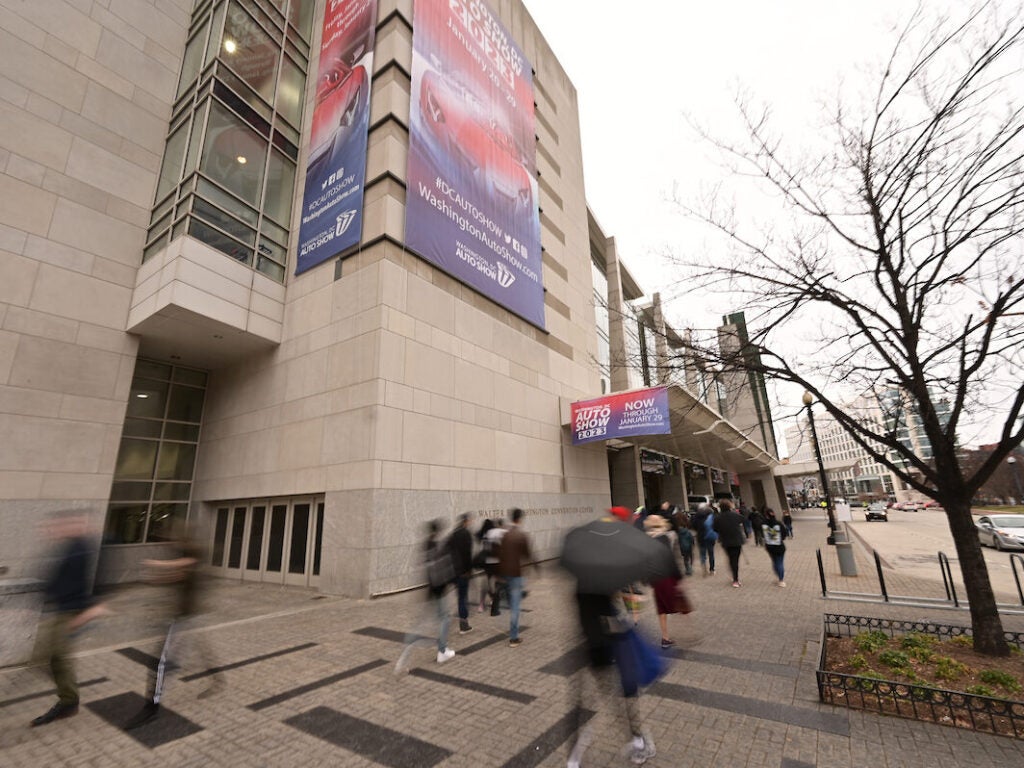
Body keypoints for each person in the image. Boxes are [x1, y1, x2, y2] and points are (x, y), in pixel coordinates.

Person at [564, 510, 656, 768]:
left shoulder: (588, 582)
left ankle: (578, 755)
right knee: (611, 698)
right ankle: (634, 743)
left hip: (599, 644)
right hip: (601, 644)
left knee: (601, 699)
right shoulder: (599, 579)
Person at [125, 522, 221, 729]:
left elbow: (186, 564)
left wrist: (157, 565)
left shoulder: (195, 550)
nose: (170, 542)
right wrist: (157, 580)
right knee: (199, 649)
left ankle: (152, 707)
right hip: (185, 616)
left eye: (172, 538)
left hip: (185, 617)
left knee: (161, 663)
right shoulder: (183, 553)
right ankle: (217, 678)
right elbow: (180, 574)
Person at [30, 511, 104, 727]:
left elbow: (92, 583)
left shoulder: (82, 549)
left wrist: (89, 611)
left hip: (72, 611)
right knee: (51, 657)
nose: (60, 528)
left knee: (56, 656)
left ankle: (69, 701)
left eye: (68, 524)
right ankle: (68, 698)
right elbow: (57, 581)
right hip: (62, 610)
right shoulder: (70, 547)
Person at [396, 520, 456, 673]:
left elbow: (423, 569)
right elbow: (445, 571)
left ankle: (405, 653)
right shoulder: (438, 547)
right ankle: (442, 651)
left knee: (423, 622)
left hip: (429, 591)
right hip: (439, 591)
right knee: (445, 619)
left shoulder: (425, 546)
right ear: (438, 532)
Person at [643, 515, 685, 648]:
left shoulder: (645, 538)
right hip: (667, 576)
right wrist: (679, 577)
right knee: (679, 604)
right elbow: (669, 558)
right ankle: (686, 633)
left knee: (661, 608)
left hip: (655, 579)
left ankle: (665, 637)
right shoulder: (663, 537)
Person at [497, 508, 533, 647]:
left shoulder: (505, 534)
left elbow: (500, 554)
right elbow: (527, 555)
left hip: (506, 573)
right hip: (516, 574)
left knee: (512, 601)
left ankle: (509, 619)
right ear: (520, 519)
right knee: (515, 606)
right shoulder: (521, 535)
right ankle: (514, 637)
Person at [447, 513, 474, 634]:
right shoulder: (466, 533)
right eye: (469, 521)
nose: (470, 523)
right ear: (466, 521)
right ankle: (464, 624)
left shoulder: (453, 534)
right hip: (463, 572)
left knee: (460, 597)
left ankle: (462, 621)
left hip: (453, 572)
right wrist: (469, 570)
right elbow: (467, 554)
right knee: (463, 597)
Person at [713, 499, 747, 587]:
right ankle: (735, 579)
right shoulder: (735, 515)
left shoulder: (718, 517)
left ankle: (734, 577)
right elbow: (743, 519)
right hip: (737, 541)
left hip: (726, 541)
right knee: (735, 559)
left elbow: (715, 528)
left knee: (731, 559)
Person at [484, 518, 507, 615]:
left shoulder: (488, 533)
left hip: (488, 562)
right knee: (500, 582)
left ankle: (493, 598)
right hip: (498, 562)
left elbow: (485, 547)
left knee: (491, 581)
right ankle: (495, 607)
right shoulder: (504, 532)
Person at [762, 508, 789, 586]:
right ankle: (781, 580)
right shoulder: (778, 523)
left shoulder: (763, 524)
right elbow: (784, 534)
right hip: (779, 546)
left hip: (769, 546)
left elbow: (762, 535)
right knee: (780, 562)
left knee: (774, 562)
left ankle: (778, 577)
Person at [474, 518, 495, 612]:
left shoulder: (482, 534)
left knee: (486, 582)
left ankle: (481, 604)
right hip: (493, 560)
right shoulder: (492, 535)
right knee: (492, 581)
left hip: (485, 561)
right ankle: (492, 599)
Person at [692, 503, 717, 576]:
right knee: (711, 553)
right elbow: (715, 525)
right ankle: (712, 570)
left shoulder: (696, 516)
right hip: (710, 536)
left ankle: (704, 567)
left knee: (702, 554)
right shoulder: (711, 515)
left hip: (700, 537)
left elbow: (693, 526)